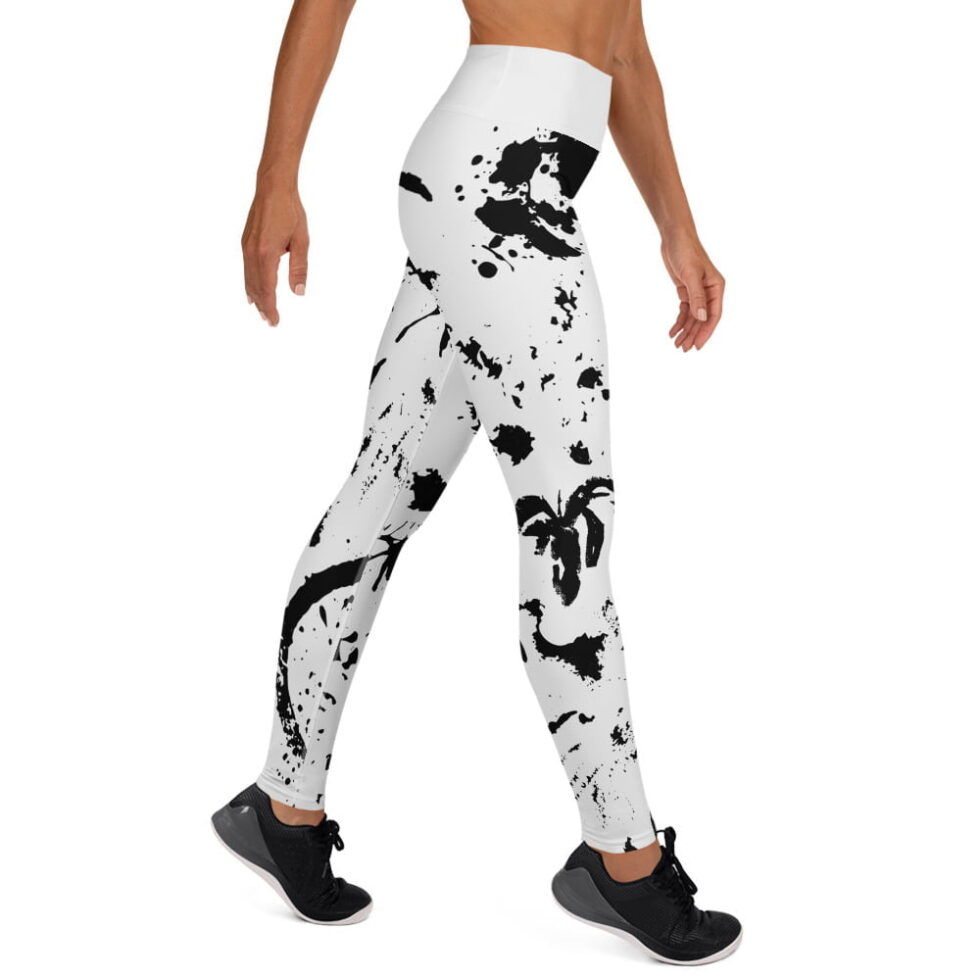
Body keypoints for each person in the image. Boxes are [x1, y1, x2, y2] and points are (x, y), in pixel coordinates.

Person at [211, 0, 739, 964]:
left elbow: (622, 43)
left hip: (511, 185)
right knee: (570, 522)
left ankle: (282, 807)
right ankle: (623, 857)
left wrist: (677, 227)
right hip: (496, 187)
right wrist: (275, 179)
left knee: (378, 500)